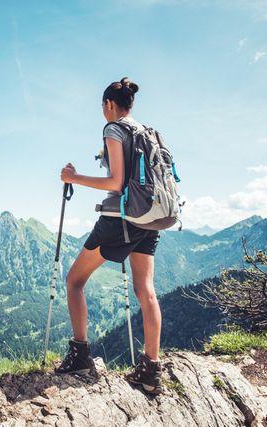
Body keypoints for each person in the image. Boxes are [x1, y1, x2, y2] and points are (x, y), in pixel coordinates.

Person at [55, 77, 164, 394]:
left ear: (109, 105)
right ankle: (151, 370)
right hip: (150, 219)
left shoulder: (114, 129)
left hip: (120, 221)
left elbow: (116, 182)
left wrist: (72, 177)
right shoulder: (147, 132)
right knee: (146, 290)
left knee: (74, 281)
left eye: (102, 107)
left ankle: (80, 356)